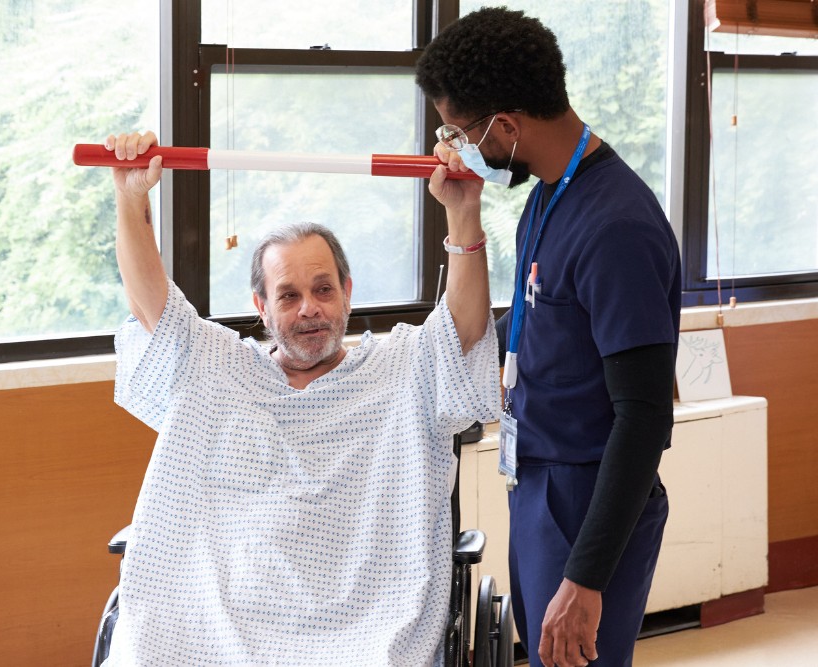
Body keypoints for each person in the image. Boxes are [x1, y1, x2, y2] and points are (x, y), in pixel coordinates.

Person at [100, 130, 500, 666]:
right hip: (219, 620)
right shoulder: (217, 366)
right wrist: (131, 198)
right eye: (289, 295)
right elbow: (153, 306)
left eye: (323, 289)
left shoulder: (404, 366)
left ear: (348, 293)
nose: (310, 308)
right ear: (261, 308)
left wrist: (463, 211)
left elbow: (466, 330)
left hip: (361, 622)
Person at [415, 7, 681, 667]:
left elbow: (645, 417)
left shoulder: (616, 227)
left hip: (589, 497)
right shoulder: (547, 197)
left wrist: (587, 577)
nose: (457, 144)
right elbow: (535, 331)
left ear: (505, 124)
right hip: (538, 483)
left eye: (460, 129)